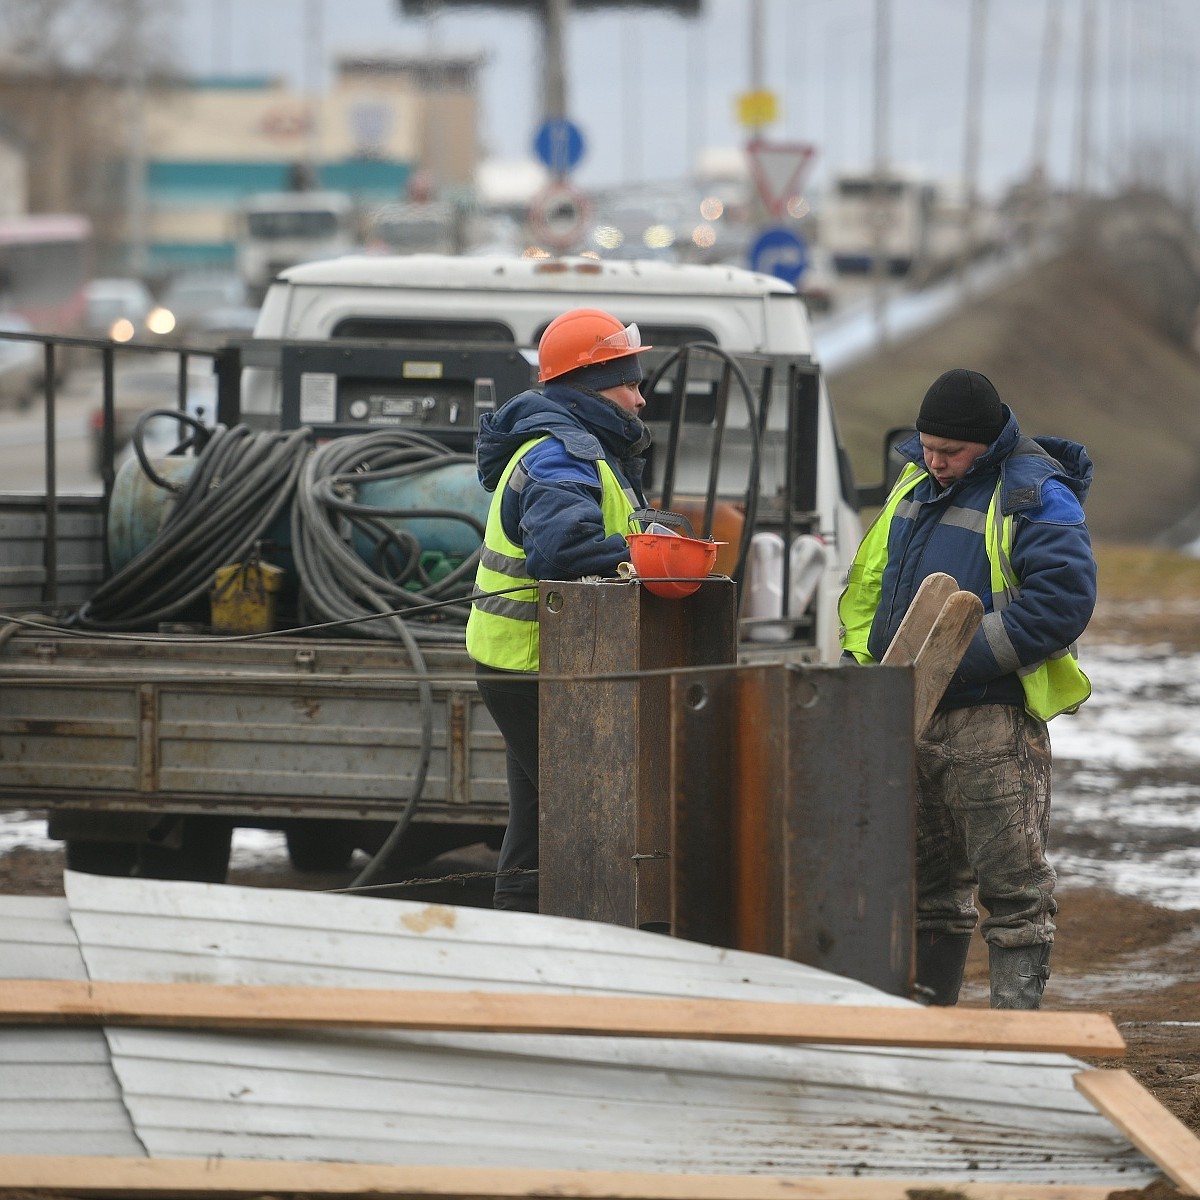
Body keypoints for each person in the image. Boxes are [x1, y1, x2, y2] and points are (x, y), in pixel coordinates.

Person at [839, 368, 1096, 1010]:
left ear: (988, 443)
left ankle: (1015, 1031)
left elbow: (1062, 601)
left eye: (948, 452)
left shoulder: (1034, 492)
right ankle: (932, 1029)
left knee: (1013, 891)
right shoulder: (915, 483)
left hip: (992, 722)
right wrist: (865, 665)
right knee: (927, 892)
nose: (934, 462)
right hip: (909, 711)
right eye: (926, 447)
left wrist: (956, 659)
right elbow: (871, 584)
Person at [466, 307, 652, 913]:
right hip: (533, 666)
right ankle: (566, 949)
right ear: (594, 389)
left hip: (521, 663)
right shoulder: (561, 453)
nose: (640, 399)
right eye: (631, 383)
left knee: (540, 822)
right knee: (579, 813)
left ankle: (519, 949)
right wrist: (646, 550)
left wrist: (643, 530)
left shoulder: (576, 446)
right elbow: (563, 548)